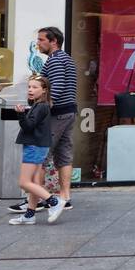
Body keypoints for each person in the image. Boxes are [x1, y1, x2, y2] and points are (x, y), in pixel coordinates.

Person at [31, 27, 77, 216]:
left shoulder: (56, 60)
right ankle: (65, 197)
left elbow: (55, 89)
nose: (38, 43)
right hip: (69, 112)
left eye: (42, 40)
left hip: (57, 114)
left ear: (53, 42)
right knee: (63, 154)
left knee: (41, 155)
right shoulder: (65, 58)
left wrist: (41, 109)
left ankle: (39, 199)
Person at [8, 75, 62, 225]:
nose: (30, 90)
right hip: (38, 146)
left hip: (34, 146)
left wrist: (20, 114)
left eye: (35, 87)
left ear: (44, 90)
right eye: (29, 87)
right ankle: (29, 215)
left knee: (24, 182)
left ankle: (54, 202)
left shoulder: (41, 107)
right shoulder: (40, 105)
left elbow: (28, 126)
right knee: (34, 182)